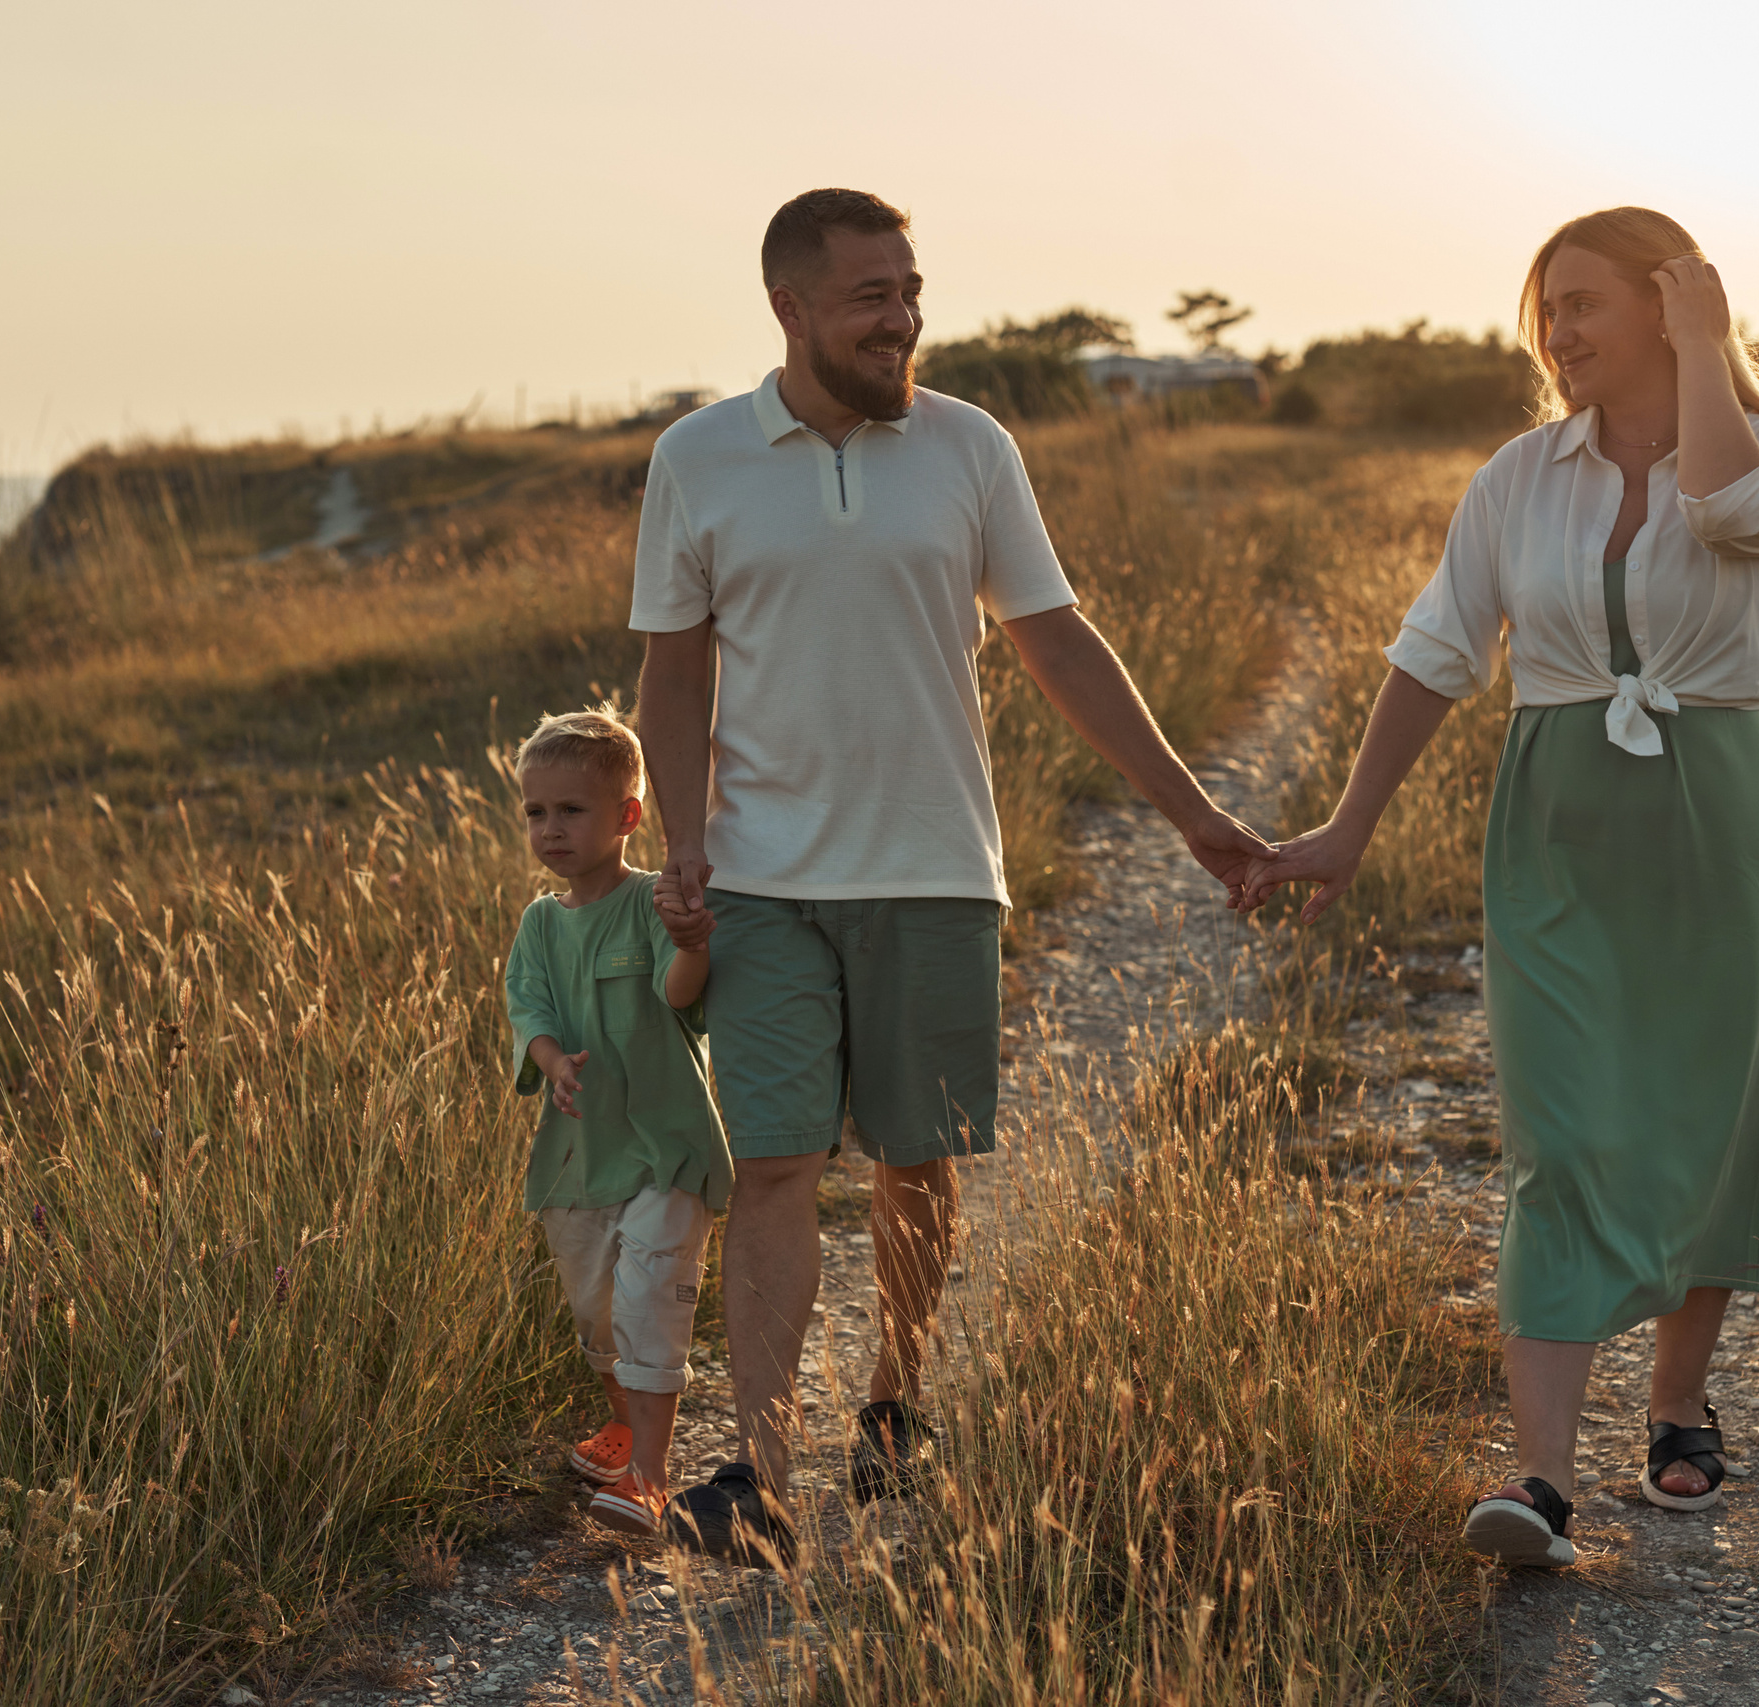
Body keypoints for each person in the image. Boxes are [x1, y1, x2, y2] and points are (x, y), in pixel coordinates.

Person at [633, 187, 1274, 1564]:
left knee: (920, 1165)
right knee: (779, 1163)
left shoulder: (970, 449)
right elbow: (671, 677)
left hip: (932, 869)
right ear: (790, 307)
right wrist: (681, 841)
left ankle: (892, 1396)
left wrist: (1194, 811)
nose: (902, 317)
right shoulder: (697, 457)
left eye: (910, 289)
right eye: (871, 295)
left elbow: (1059, 642)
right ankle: (755, 1470)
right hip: (760, 877)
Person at [1245, 206, 1759, 1567]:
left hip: (1720, 809)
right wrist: (1346, 825)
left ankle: (1677, 1398)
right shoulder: (1517, 475)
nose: (1558, 332)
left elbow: (1734, 509)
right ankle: (1544, 1478)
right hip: (1559, 809)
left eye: (1587, 304)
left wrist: (1706, 349)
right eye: (1546, 308)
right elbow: (1440, 647)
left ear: (1672, 305)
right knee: (1562, 1130)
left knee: (1713, 1111)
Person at [501, 708, 732, 1538]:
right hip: (577, 1156)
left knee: (647, 1305)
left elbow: (681, 994)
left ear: (628, 815)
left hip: (663, 1148)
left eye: (572, 810)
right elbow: (526, 1003)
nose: (550, 828)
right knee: (596, 1312)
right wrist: (555, 1060)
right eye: (536, 811)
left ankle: (649, 1477)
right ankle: (625, 1424)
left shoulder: (649, 903)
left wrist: (692, 942)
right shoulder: (540, 922)